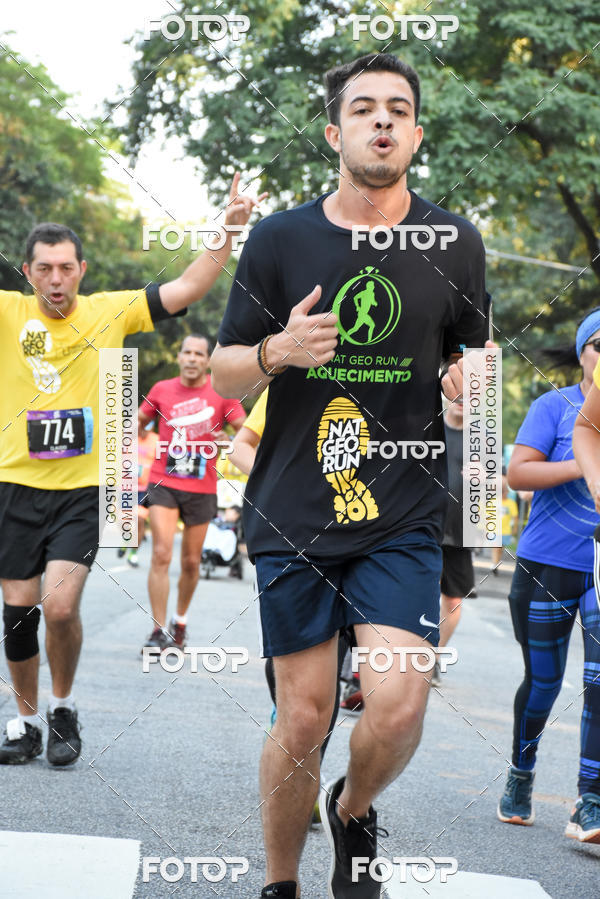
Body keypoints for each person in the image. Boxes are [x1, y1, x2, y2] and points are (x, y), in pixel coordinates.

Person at [211, 53, 490, 899]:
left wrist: (464, 389)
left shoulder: (455, 242)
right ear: (334, 132)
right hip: (296, 507)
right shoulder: (282, 240)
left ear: (414, 132)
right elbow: (225, 370)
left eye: (397, 109)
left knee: (400, 703)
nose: (381, 121)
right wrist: (275, 351)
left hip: (402, 509)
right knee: (303, 716)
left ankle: (355, 805)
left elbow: (477, 368)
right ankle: (282, 883)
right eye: (363, 109)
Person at [0, 174, 263, 766]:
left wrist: (230, 227)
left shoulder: (110, 311)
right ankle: (25, 720)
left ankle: (63, 708)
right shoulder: (7, 314)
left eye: (66, 268)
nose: (56, 280)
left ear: (82, 270)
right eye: (43, 269)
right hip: (14, 486)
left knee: (60, 606)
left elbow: (192, 281)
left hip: (82, 489)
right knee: (18, 615)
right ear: (27, 273)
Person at [497, 308, 600, 844]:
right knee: (544, 683)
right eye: (599, 344)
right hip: (549, 563)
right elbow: (519, 472)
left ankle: (591, 801)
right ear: (583, 353)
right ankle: (520, 774)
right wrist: (585, 464)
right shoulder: (555, 406)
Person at [138, 335, 246, 651]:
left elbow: (243, 433)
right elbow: (140, 422)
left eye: (200, 353)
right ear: (179, 357)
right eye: (187, 352)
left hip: (201, 487)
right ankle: (158, 630)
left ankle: (179, 623)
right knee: (160, 553)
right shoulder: (161, 389)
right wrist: (135, 433)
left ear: (208, 360)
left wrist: (222, 439)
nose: (192, 358)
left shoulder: (222, 391)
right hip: (164, 481)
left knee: (190, 562)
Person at [431, 397, 476, 687]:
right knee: (421, 591)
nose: (461, 401)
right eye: (455, 395)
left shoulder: (481, 438)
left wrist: (485, 480)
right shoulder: (429, 429)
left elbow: (505, 483)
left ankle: (434, 657)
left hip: (461, 533)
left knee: (453, 599)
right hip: (425, 527)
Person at [117, 421, 158, 567]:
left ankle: (133, 554)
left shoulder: (156, 440)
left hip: (145, 489)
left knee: (139, 521)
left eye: (148, 426)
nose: (145, 430)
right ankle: (125, 541)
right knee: (124, 521)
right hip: (126, 487)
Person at [490, 471, 518, 573]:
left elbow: (515, 517)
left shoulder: (511, 503)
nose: (503, 494)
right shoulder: (493, 501)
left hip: (506, 530)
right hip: (495, 529)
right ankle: (494, 564)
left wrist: (514, 528)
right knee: (496, 547)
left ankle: (496, 563)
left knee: (501, 548)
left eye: (504, 492)